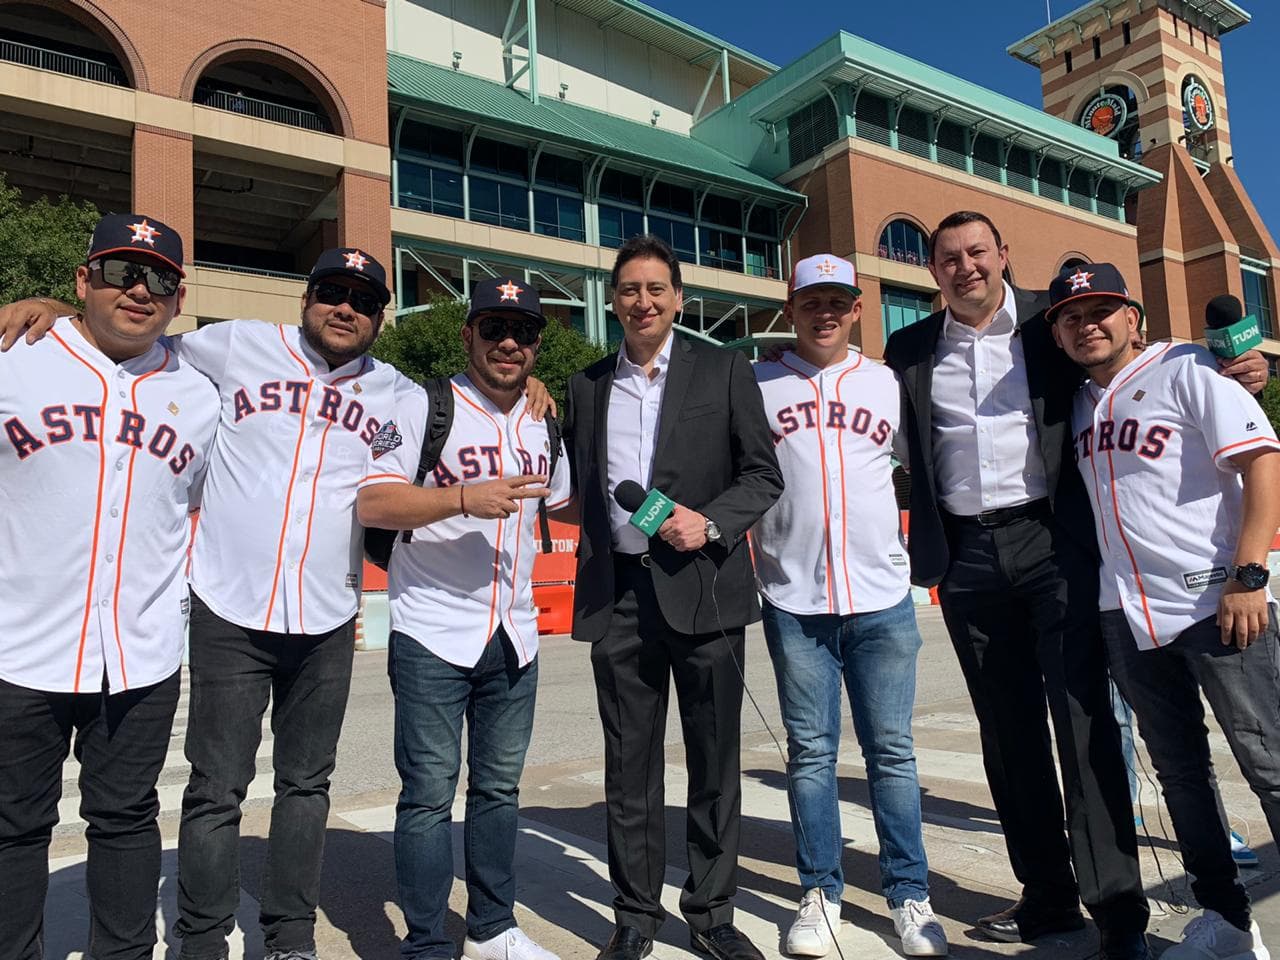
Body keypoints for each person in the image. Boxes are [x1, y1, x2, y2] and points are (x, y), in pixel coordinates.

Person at [882, 211, 1268, 960]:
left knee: (1084, 723)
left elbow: (1135, 363)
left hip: (1055, 543)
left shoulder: (1051, 324)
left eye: (977, 253)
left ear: (1004, 256)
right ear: (932, 271)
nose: (965, 268)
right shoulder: (908, 350)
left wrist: (1244, 370)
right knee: (1009, 734)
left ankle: (1118, 912)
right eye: (948, 258)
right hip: (965, 555)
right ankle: (1049, 899)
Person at [1046, 261, 1280, 960]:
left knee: (1269, 762)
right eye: (1071, 316)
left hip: (1218, 600)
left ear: (1132, 317)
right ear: (1056, 333)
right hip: (1129, 612)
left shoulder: (1185, 367)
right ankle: (1230, 922)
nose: (1088, 324)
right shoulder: (1078, 404)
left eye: (1101, 310)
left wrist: (1249, 573)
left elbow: (1263, 459)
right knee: (1181, 773)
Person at [0, 214, 219, 958]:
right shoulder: (14, 355)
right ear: (82, 280)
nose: (140, 289)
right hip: (18, 642)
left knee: (126, 820)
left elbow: (196, 506)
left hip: (139, 651)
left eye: (159, 277)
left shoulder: (201, 390)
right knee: (12, 825)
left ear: (179, 296)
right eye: (122, 270)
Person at [560, 234, 783, 960]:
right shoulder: (586, 386)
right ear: (613, 300)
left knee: (714, 761)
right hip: (620, 597)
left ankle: (712, 913)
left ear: (679, 299)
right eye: (629, 289)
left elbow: (762, 475)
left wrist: (710, 520)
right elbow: (570, 475)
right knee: (630, 768)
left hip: (705, 593)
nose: (643, 302)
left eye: (657, 289)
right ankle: (635, 916)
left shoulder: (723, 370)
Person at [355, 277, 571, 960]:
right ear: (467, 334)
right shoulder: (424, 406)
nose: (509, 343)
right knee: (426, 795)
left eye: (525, 332)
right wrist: (461, 499)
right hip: (432, 630)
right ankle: (425, 943)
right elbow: (374, 503)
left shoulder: (545, 419)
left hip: (514, 635)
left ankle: (492, 927)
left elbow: (562, 501)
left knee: (499, 791)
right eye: (493, 328)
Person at [751, 255, 946, 958]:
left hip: (880, 596)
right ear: (791, 305)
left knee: (891, 753)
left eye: (838, 300)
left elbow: (931, 467)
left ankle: (910, 895)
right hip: (791, 595)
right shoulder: (758, 382)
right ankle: (821, 892)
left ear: (857, 309)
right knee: (809, 753)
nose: (824, 312)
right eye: (812, 300)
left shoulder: (888, 384)